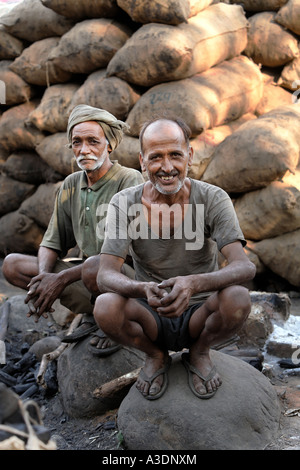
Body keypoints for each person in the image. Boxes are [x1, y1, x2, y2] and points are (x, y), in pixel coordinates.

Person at [92, 117, 256, 400]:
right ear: (142, 162)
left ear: (189, 156)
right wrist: (142, 289)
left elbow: (244, 266)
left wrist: (194, 283)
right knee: (105, 306)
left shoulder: (212, 198)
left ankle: (199, 351)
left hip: (199, 315)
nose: (166, 168)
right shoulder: (124, 202)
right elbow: (105, 274)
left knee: (238, 298)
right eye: (156, 157)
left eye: (175, 155)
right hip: (151, 314)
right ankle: (155, 356)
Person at [2, 104, 144, 355]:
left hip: (127, 277)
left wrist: (61, 279)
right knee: (12, 265)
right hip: (89, 276)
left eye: (92, 141)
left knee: (94, 266)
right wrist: (45, 278)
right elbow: (52, 242)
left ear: (109, 145)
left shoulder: (129, 180)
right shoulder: (71, 184)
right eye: (77, 142)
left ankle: (118, 319)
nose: (84, 149)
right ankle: (96, 314)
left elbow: (123, 253)